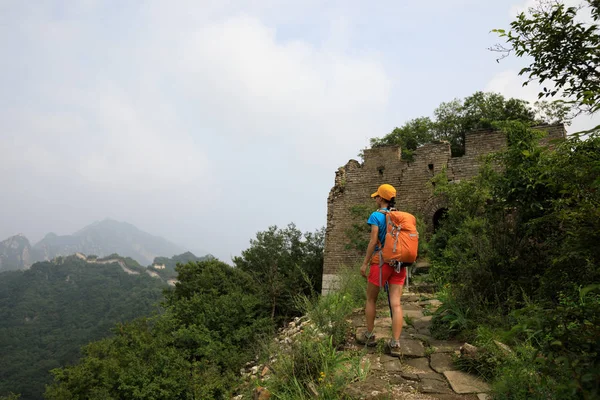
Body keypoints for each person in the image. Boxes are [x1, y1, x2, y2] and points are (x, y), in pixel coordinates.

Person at [356, 183, 405, 354]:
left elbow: (372, 241)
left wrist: (365, 263)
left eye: (377, 196)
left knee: (371, 299)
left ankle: (369, 335)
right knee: (396, 303)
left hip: (381, 262)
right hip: (399, 264)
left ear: (382, 198)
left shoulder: (376, 216)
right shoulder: (400, 215)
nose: (375, 198)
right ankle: (395, 344)